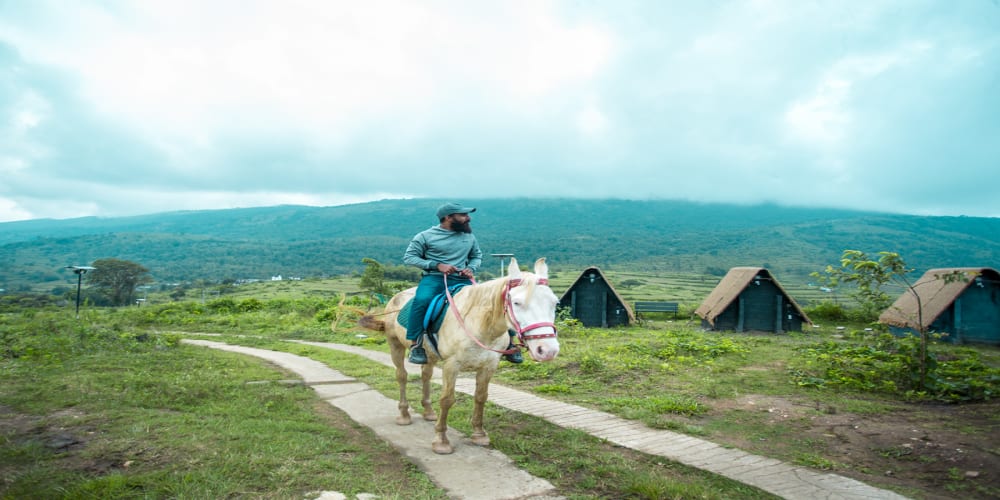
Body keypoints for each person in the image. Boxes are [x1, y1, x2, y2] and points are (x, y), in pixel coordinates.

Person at [402, 202, 522, 364]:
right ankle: (416, 345)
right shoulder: (424, 236)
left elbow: (476, 256)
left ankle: (510, 343)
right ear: (448, 217)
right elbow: (409, 257)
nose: (468, 218)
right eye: (463, 215)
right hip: (435, 278)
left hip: (463, 279)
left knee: (495, 301)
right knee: (422, 301)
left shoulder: (469, 237)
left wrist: (471, 268)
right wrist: (436, 265)